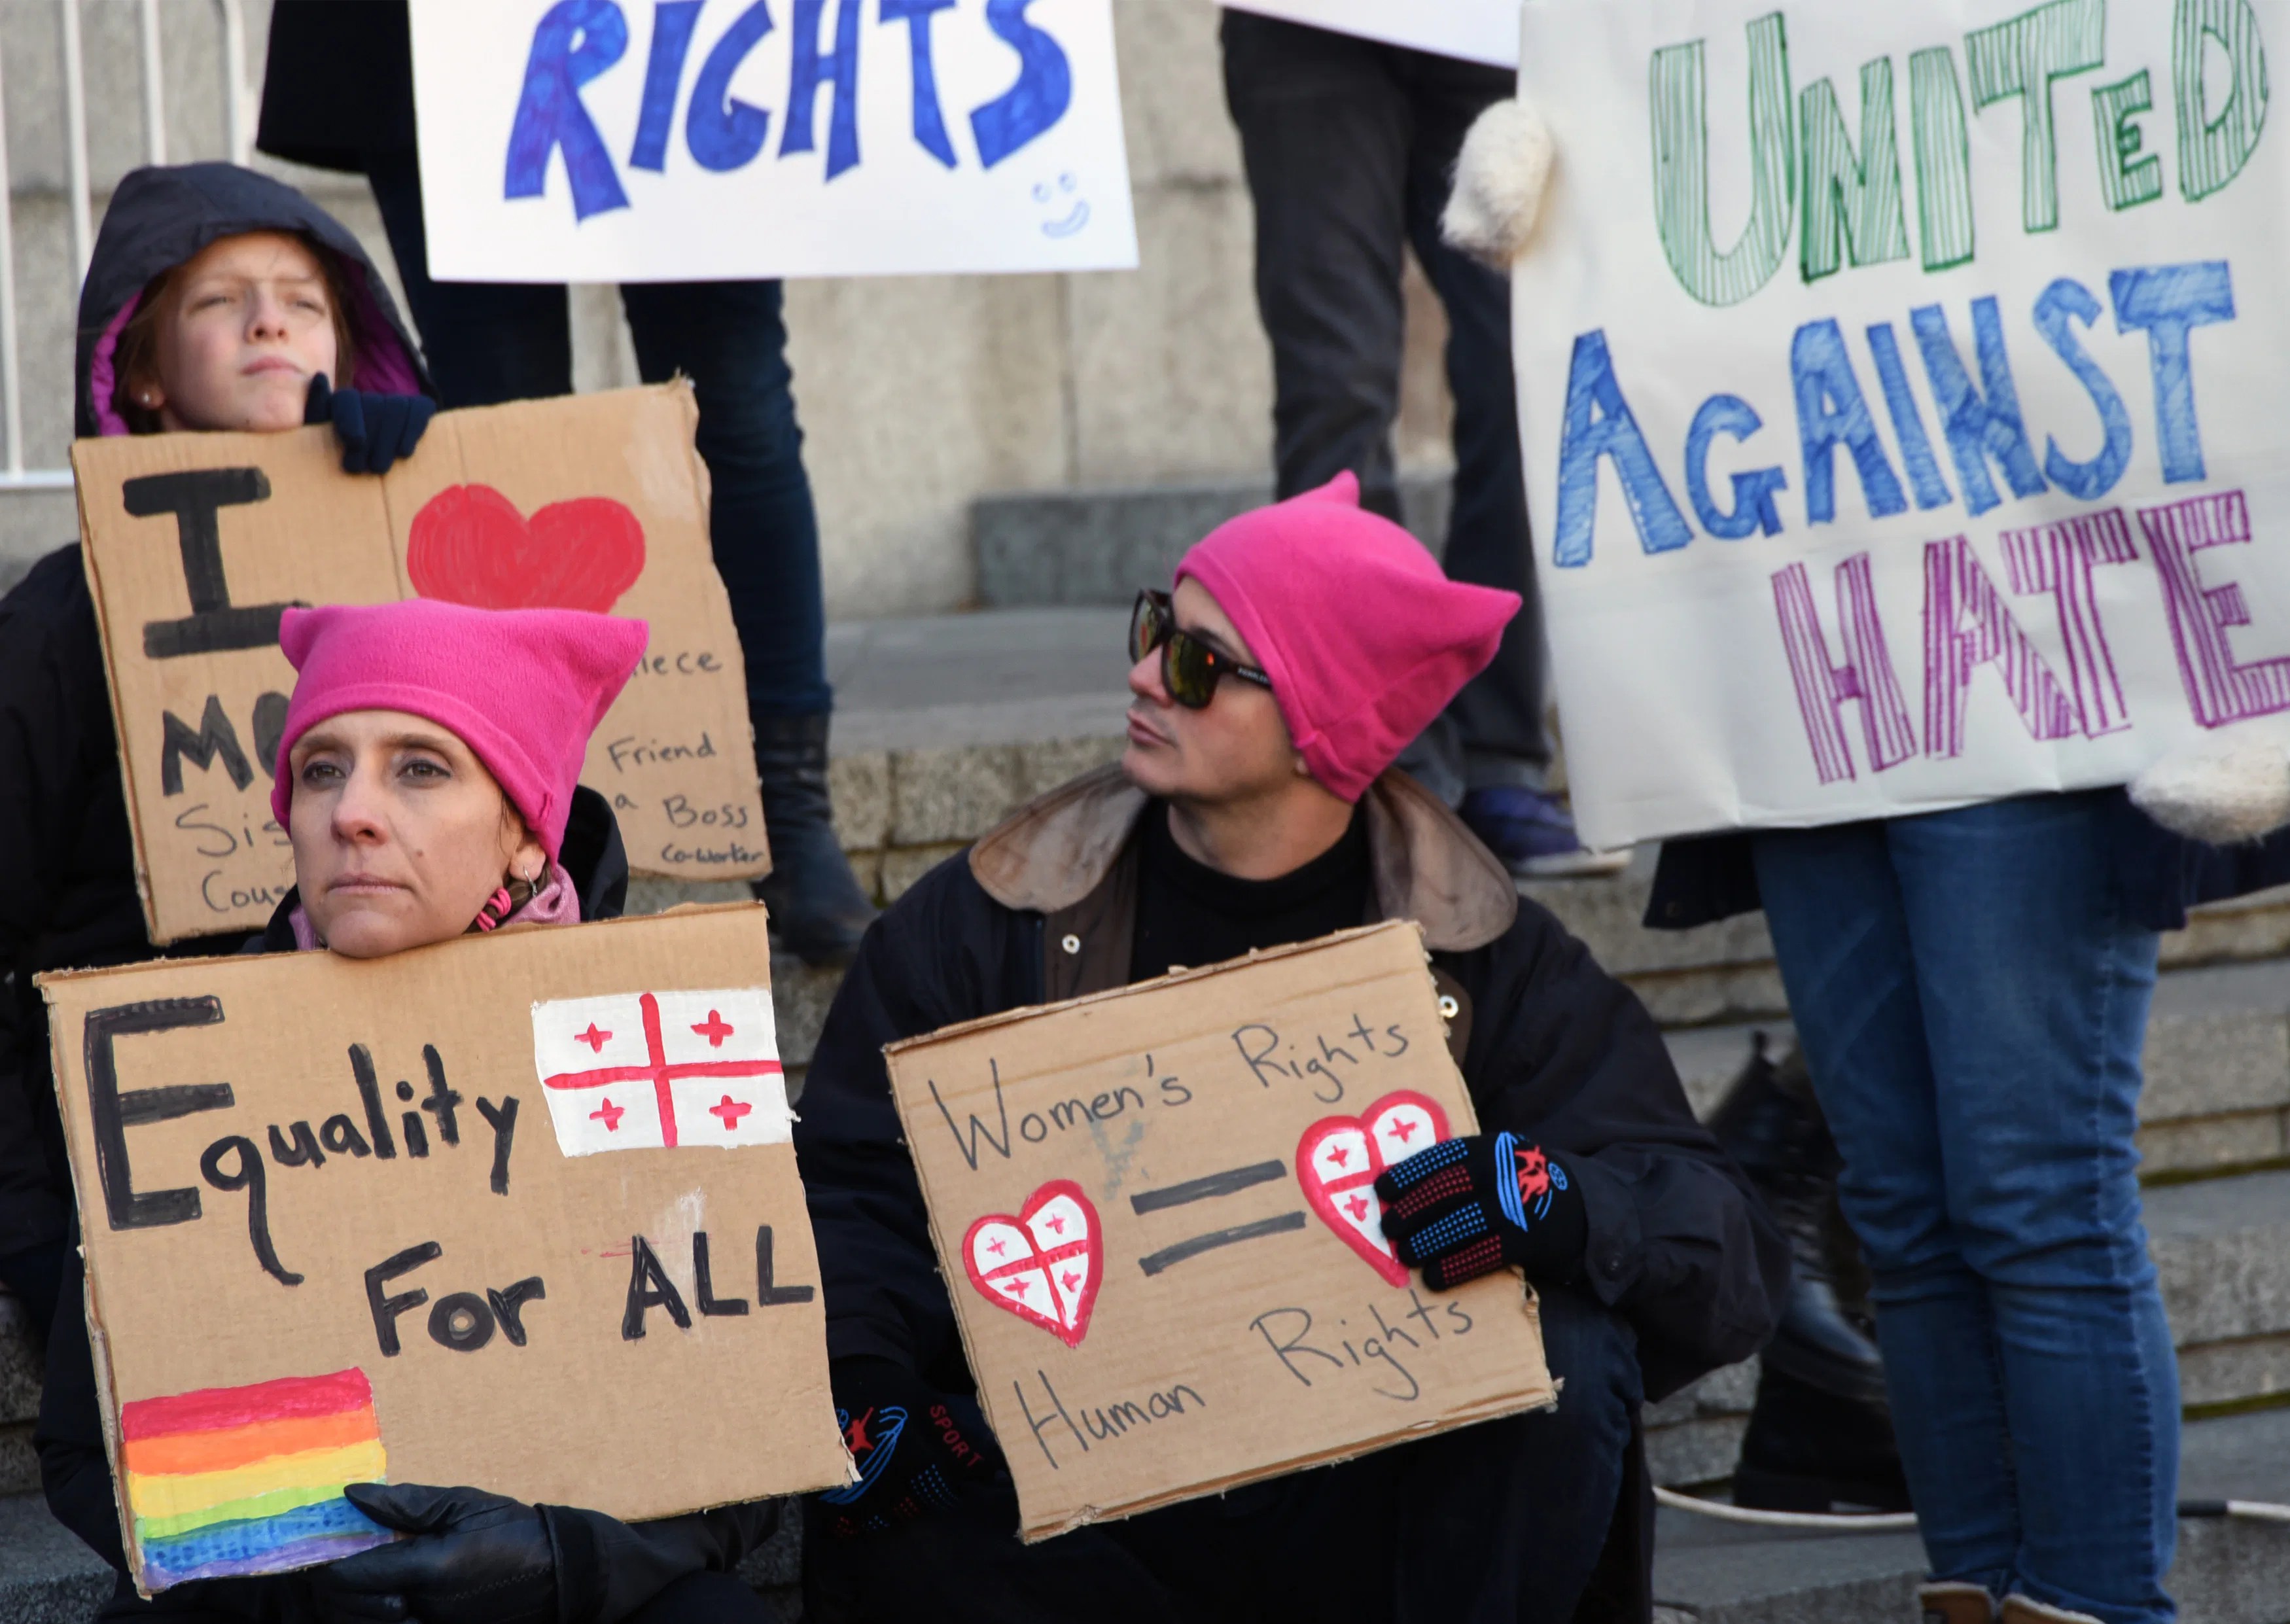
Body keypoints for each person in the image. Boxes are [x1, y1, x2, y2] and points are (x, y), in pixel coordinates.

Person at [792, 475, 1788, 1622]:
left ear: (1323, 722)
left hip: (1360, 1498)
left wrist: (1554, 1205)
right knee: (895, 1508)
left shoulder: (1488, 957)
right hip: (1085, 1505)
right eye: (1156, 628)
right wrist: (866, 1380)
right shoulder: (995, 913)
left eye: (1199, 665)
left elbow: (1729, 1247)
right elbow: (852, 1189)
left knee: (1567, 1353)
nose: (1143, 675)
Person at [39, 597, 781, 1623]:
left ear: (527, 834)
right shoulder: (182, 1073)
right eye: (321, 768)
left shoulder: (659, 1050)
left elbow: (756, 1445)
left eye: (421, 767)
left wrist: (563, 1558)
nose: (351, 811)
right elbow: (85, 1448)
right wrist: (320, 1577)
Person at [255, 0, 880, 966]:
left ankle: (789, 808)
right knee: (496, 404)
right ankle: (504, 828)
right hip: (452, 32)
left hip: (693, 30)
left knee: (738, 402)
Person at [0, 162, 437, 1349]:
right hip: (152, 1125)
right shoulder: (56, 620)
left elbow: (555, 845)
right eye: (221, 302)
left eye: (303, 301)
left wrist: (431, 505)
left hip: (410, 1098)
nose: (269, 323)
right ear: (138, 374)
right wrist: (35, 1223)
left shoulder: (423, 571)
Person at [1217, 12, 1619, 879]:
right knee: (1338, 389)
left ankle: (1498, 757)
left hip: (1487, 30)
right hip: (1308, 27)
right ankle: (1376, 756)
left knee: (1529, 368)